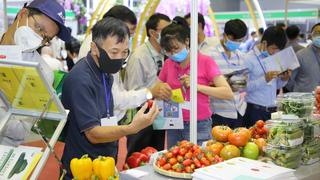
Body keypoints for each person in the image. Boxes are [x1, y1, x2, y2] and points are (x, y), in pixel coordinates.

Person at [61, 17, 160, 179]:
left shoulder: (105, 72)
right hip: (83, 167)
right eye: (114, 52)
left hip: (104, 161)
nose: (119, 58)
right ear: (94, 48)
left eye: (124, 52)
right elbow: (93, 133)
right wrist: (131, 128)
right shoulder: (80, 79)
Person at [77, 5, 169, 123]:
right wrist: (149, 92)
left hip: (106, 119)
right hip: (99, 122)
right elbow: (114, 98)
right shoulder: (100, 49)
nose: (127, 38)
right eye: (126, 32)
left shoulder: (102, 45)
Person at [0, 0, 70, 146]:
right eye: (38, 28)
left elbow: (21, 130)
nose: (39, 39)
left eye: (46, 38)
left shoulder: (41, 72)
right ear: (22, 14)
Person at [156, 17, 233, 148]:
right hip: (173, 122)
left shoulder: (205, 61)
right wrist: (161, 91)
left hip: (199, 124)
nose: (173, 53)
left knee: (197, 164)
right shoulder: (168, 64)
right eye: (168, 51)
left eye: (176, 48)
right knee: (173, 163)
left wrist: (197, 86)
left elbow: (227, 93)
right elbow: (157, 88)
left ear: (187, 41)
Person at [124, 13, 171, 156]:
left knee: (157, 156)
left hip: (160, 112)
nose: (169, 34)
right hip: (141, 113)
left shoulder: (166, 54)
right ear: (152, 32)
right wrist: (152, 91)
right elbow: (131, 91)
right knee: (137, 157)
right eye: (165, 30)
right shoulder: (139, 56)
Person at [205, 19, 248, 129]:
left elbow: (245, 81)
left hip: (239, 110)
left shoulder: (241, 56)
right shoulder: (209, 54)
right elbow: (203, 84)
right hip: (218, 113)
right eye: (234, 40)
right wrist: (224, 84)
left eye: (240, 40)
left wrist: (240, 83)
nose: (237, 43)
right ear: (224, 35)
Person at [243, 26, 291, 127]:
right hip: (254, 111)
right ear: (264, 43)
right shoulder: (248, 59)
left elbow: (275, 86)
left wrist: (284, 79)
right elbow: (244, 87)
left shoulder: (273, 58)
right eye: (273, 48)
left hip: (272, 110)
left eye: (278, 50)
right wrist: (264, 79)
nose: (275, 52)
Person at [286, 23, 320, 92]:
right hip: (305, 100)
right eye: (317, 33)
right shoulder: (300, 55)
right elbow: (289, 80)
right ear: (311, 36)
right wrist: (299, 93)